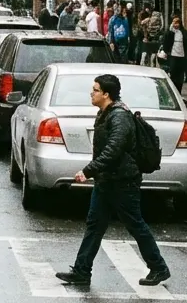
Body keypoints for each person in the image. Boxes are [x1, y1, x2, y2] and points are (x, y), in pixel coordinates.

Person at [55, 73, 171, 287]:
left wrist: (88, 171)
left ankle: (159, 268)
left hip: (122, 182)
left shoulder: (119, 116)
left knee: (135, 225)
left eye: (96, 89)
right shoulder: (105, 113)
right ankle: (82, 271)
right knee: (94, 225)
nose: (92, 93)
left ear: (106, 94)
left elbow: (113, 150)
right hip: (107, 181)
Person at [159, 14, 187, 91]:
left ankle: (179, 90)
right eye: (174, 23)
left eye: (177, 23)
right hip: (172, 56)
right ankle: (173, 90)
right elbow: (165, 42)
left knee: (180, 76)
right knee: (173, 74)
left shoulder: (183, 32)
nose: (175, 24)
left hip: (182, 56)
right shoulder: (170, 32)